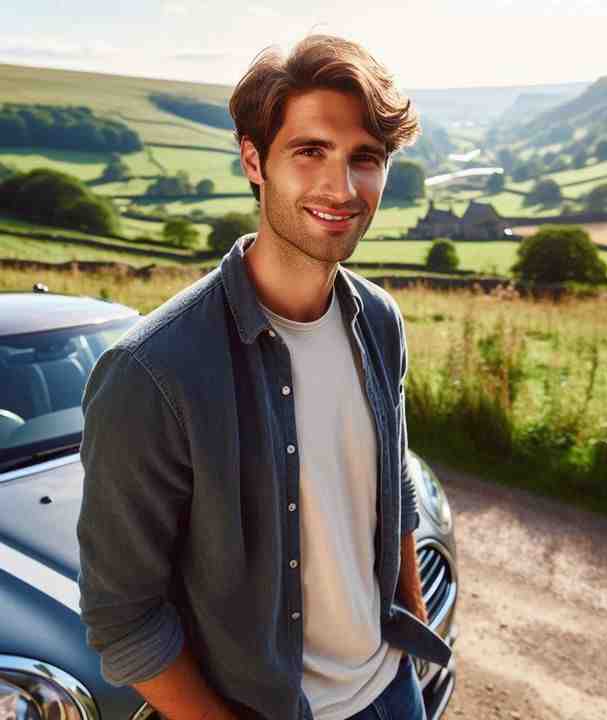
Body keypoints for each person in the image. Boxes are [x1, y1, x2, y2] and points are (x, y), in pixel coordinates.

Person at [76, 34, 452, 720]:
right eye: (311, 151)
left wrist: (408, 639)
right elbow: (123, 619)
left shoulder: (381, 320)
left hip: (392, 693)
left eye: (365, 159)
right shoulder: (152, 372)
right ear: (255, 160)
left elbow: (390, 481)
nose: (341, 188)